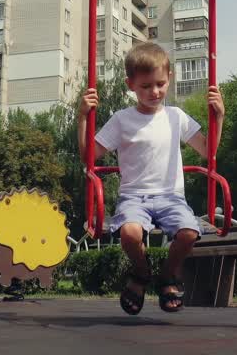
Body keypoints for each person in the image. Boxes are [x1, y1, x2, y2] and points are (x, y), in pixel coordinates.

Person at [76, 42, 225, 315]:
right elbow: (89, 157)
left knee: (189, 232)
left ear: (169, 78)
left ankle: (167, 275)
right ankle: (142, 273)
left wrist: (219, 116)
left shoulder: (175, 116)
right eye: (145, 86)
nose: (154, 92)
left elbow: (208, 152)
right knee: (130, 233)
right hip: (134, 197)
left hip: (171, 196)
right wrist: (83, 117)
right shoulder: (122, 120)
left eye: (159, 83)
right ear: (130, 84)